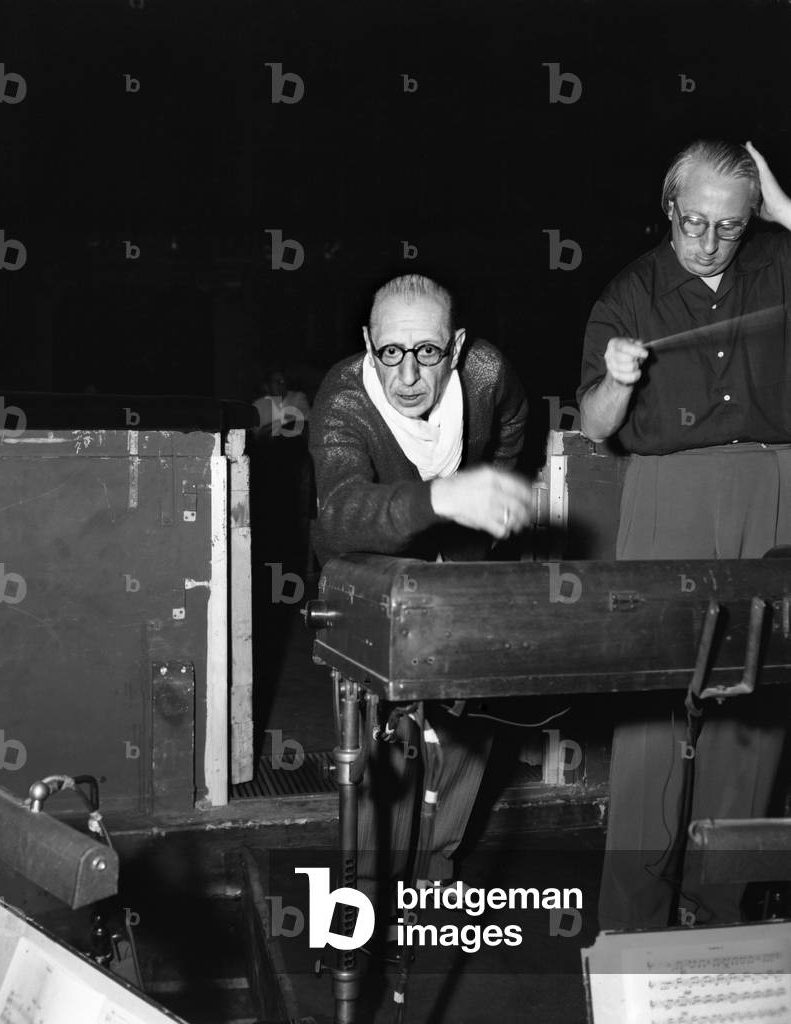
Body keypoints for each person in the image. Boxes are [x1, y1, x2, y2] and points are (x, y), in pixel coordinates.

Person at [578, 139, 791, 930]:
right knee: (655, 716)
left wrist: (784, 212)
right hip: (671, 493)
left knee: (756, 715)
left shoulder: (778, 262)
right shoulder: (630, 290)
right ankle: (630, 928)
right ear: (667, 208)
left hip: (778, 488)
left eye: (728, 227)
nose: (705, 242)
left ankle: (721, 918)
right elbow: (598, 426)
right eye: (691, 220)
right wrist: (617, 379)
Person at [309, 274, 533, 915]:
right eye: (390, 353)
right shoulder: (344, 397)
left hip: (459, 564)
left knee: (464, 724)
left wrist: (487, 494)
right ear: (368, 344)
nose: (407, 375)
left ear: (457, 346)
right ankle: (368, 898)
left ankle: (436, 879)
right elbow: (340, 510)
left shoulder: (486, 374)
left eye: (428, 353)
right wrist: (442, 496)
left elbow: (514, 424)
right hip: (364, 573)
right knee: (383, 753)